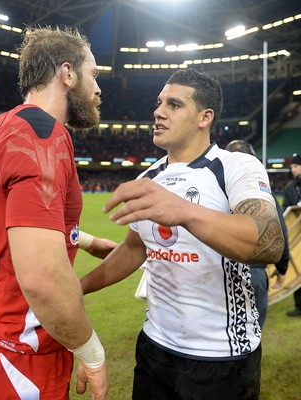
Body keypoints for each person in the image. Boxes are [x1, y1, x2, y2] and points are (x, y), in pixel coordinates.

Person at [80, 68, 284, 400]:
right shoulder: (149, 177)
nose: (158, 112)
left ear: (205, 117)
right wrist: (79, 289)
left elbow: (269, 241)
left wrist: (185, 211)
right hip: (154, 347)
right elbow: (135, 249)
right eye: (159, 102)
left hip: (222, 356)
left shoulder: (235, 166)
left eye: (174, 104)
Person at [0, 26, 108, 400]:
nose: (99, 89)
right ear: (67, 74)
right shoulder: (41, 133)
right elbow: (42, 277)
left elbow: (7, 220)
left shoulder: (1, 126)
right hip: (11, 350)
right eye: (94, 75)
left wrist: (84, 240)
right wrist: (93, 354)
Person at [225, 140, 289, 328]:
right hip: (253, 270)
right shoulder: (258, 188)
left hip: (215, 270)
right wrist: (283, 267)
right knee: (251, 333)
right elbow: (279, 231)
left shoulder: (212, 185)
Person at [283, 153, 301, 317]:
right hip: (297, 235)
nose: (293, 169)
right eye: (292, 167)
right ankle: (299, 306)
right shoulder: (290, 187)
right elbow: (286, 210)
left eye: (295, 166)